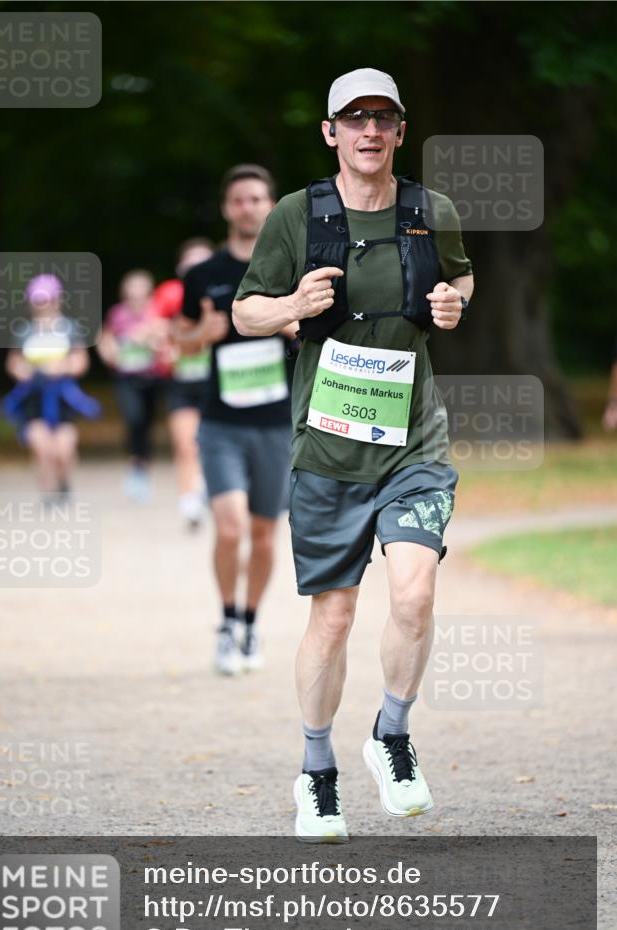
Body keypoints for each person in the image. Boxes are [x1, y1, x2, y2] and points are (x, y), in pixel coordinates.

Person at [233, 69, 474, 841]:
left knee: (414, 594)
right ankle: (316, 772)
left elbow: (460, 277)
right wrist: (289, 305)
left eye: (383, 117)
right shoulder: (295, 216)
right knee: (333, 618)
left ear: (400, 130)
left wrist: (453, 303)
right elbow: (244, 312)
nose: (369, 130)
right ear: (330, 131)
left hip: (413, 443)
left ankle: (391, 734)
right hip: (328, 450)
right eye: (354, 118)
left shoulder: (430, 211)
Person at [179, 165, 297, 676]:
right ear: (226, 208)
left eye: (256, 199)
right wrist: (199, 335)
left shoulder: (294, 268)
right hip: (221, 422)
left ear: (270, 205)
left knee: (264, 535)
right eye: (238, 200)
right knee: (229, 530)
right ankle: (227, 622)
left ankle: (250, 623)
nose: (247, 208)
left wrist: (292, 324)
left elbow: (322, 336)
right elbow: (180, 342)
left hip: (277, 424)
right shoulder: (202, 275)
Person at [1, 273, 100, 504]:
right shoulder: (24, 331)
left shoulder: (69, 329)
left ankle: (63, 482)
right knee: (42, 447)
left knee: (63, 450)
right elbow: (13, 362)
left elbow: (81, 362)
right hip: (33, 396)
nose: (43, 305)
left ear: (57, 300)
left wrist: (62, 367)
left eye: (47, 300)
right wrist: (21, 370)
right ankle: (48, 491)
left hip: (63, 396)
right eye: (38, 300)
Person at [97, 270, 172, 502]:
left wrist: (152, 338)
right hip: (126, 378)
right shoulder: (117, 314)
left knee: (147, 424)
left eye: (141, 296)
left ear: (150, 295)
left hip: (153, 377)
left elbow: (166, 339)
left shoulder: (157, 313)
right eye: (131, 296)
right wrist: (110, 351)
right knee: (134, 419)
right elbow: (106, 339)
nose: (136, 301)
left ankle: (142, 467)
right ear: (124, 295)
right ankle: (135, 466)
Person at [162, 238, 215, 529]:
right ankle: (189, 502)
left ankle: (209, 486)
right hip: (182, 385)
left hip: (217, 385)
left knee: (213, 445)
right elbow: (153, 332)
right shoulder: (168, 300)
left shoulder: (226, 296)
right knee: (185, 445)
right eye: (190, 263)